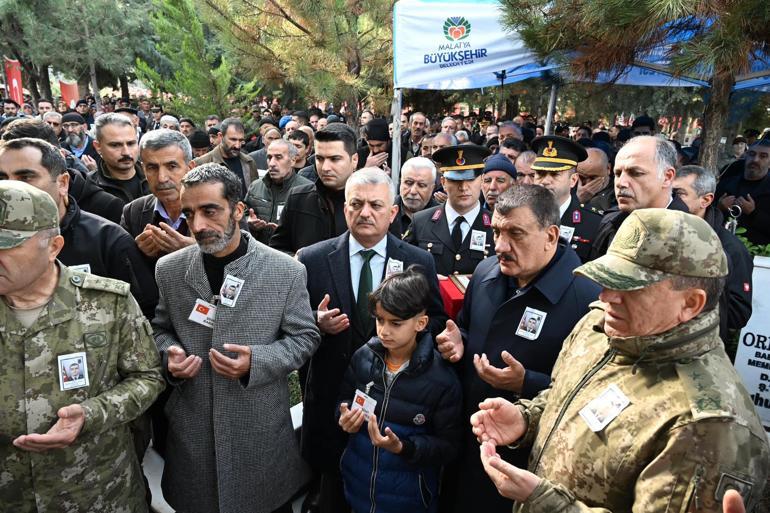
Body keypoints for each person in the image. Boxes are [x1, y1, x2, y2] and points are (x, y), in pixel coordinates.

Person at [471, 209, 769, 513]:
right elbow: (569, 394)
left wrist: (543, 502)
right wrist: (527, 419)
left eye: (630, 286)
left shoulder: (708, 427)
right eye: (608, 279)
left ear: (690, 303)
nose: (607, 296)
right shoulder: (599, 326)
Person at [152, 163, 320, 513]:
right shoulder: (169, 269)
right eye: (189, 213)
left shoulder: (286, 271)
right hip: (192, 434)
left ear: (239, 210)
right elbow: (160, 328)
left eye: (209, 211)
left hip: (259, 433)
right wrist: (169, 352)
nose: (197, 225)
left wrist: (256, 362)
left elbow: (305, 337)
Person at [0, 180, 164, 512]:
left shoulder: (108, 302)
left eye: (7, 244)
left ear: (53, 246)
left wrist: (90, 414)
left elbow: (147, 377)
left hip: (95, 491)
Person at [435, 184, 600, 513]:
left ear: (550, 236)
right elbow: (468, 328)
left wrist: (527, 383)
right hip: (469, 446)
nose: (500, 246)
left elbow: (592, 392)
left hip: (529, 467)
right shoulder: (485, 273)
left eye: (516, 234)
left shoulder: (588, 298)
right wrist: (458, 341)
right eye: (496, 231)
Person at [298, 168, 446, 512]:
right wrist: (313, 322)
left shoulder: (417, 261)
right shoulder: (312, 259)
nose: (366, 213)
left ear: (393, 212)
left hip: (396, 405)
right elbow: (290, 324)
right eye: (357, 204)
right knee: (331, 495)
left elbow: (435, 320)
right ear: (344, 208)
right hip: (331, 400)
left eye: (376, 206)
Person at [336, 268, 462, 513]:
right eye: (379, 320)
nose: (384, 330)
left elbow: (449, 447)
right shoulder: (363, 357)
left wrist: (405, 447)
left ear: (421, 323)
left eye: (396, 323)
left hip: (410, 500)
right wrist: (343, 418)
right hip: (357, 489)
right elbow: (343, 400)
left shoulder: (442, 380)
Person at [0, 137, 158, 319]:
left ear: (62, 183)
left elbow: (146, 314)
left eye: (26, 178)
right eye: (2, 178)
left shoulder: (107, 239)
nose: (11, 187)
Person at [674, 165, 753, 357]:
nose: (673, 199)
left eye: (680, 194)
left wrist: (685, 305)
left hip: (699, 353)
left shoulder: (730, 249)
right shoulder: (665, 235)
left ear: (706, 200)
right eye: (670, 192)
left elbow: (737, 314)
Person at [589, 135, 688, 260]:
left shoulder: (693, 238)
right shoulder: (610, 221)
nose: (621, 182)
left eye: (636, 173)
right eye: (618, 173)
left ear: (667, 177)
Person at [405, 145, 494, 276]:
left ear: (481, 180)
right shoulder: (421, 222)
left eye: (470, 179)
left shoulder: (496, 225)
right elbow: (404, 267)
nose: (463, 187)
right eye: (455, 180)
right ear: (443, 182)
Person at [270, 123, 360, 254]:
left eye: (334, 159)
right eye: (319, 159)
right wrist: (299, 262)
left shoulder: (371, 204)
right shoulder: (298, 198)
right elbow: (277, 251)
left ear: (354, 159)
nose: (325, 167)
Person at [121, 128, 196, 272]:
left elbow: (240, 262)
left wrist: (196, 252)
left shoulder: (218, 207)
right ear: (143, 170)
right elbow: (123, 271)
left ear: (190, 168)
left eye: (172, 166)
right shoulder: (133, 212)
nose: (162, 178)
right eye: (152, 168)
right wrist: (137, 254)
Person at [531, 136, 603, 263]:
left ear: (573, 180)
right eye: (540, 174)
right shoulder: (521, 215)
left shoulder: (594, 223)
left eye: (555, 174)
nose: (546, 181)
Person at [245, 139, 312, 243]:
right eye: (269, 157)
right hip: (259, 252)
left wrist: (286, 233)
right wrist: (249, 223)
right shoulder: (255, 186)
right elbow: (242, 217)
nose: (272, 163)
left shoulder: (308, 190)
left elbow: (313, 233)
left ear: (293, 160)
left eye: (278, 157)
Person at [715, 136, 770, 245]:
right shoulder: (726, 183)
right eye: (752, 154)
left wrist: (753, 213)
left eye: (763, 156)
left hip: (759, 254)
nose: (755, 160)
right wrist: (719, 208)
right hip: (722, 246)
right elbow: (706, 215)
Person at [88, 113, 150, 205]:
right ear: (98, 147)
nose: (126, 152)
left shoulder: (155, 177)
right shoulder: (89, 187)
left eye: (131, 143)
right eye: (115, 145)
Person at [193, 117, 258, 197]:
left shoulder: (249, 162)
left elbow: (255, 195)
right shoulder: (201, 163)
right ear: (220, 136)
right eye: (233, 140)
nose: (237, 146)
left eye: (241, 140)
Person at [391, 157, 438, 238]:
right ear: (400, 183)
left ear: (432, 188)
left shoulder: (443, 218)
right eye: (408, 183)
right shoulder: (385, 211)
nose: (413, 191)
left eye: (421, 185)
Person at [576, 146, 616, 211]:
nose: (587, 184)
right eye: (582, 177)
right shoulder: (569, 187)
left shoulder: (616, 196)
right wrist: (578, 200)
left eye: (593, 178)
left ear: (608, 168)